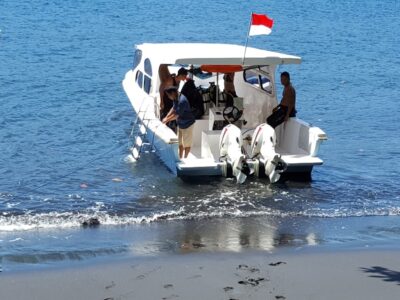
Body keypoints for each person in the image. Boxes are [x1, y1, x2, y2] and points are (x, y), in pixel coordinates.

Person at [162, 86, 195, 159]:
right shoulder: (175, 98)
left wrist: (166, 120)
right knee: (180, 143)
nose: (168, 97)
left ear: (173, 93)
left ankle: (186, 159)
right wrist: (167, 116)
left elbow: (177, 115)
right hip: (180, 124)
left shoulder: (182, 101)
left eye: (168, 95)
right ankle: (180, 158)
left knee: (187, 144)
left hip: (188, 124)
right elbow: (173, 108)